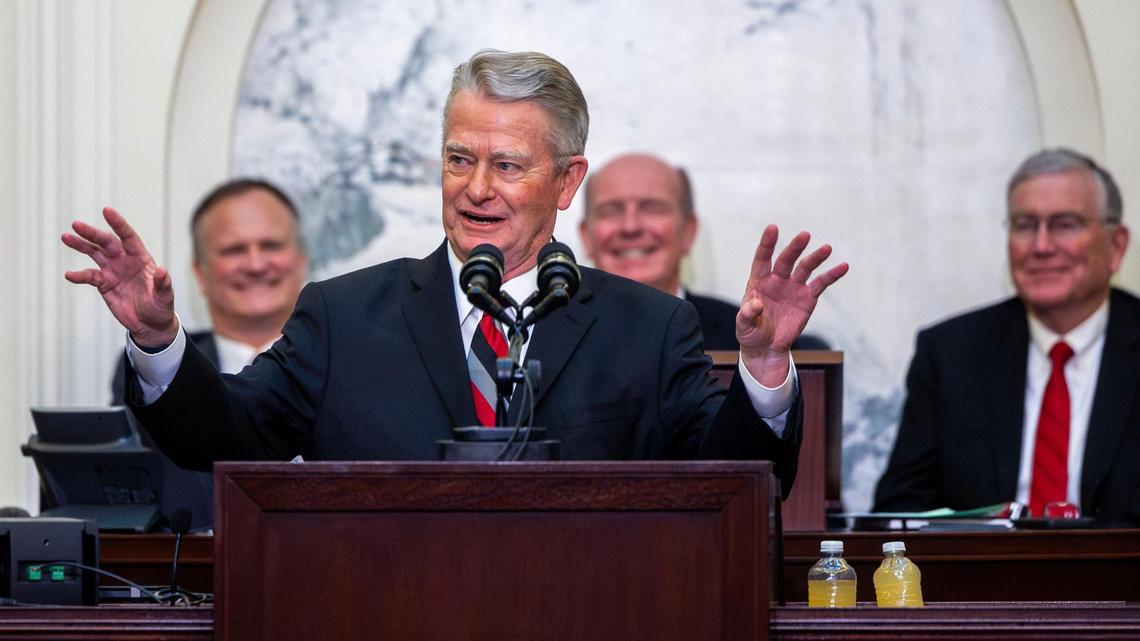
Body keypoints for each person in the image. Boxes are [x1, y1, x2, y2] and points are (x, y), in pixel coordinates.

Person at [62, 50, 847, 498]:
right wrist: (161, 339)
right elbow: (220, 437)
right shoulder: (343, 315)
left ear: (567, 182)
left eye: (506, 165)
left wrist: (766, 365)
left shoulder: (648, 325)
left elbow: (735, 482)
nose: (477, 189)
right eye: (459, 160)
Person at [874, 148, 1140, 525]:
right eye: (1025, 225)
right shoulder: (952, 355)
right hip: (982, 579)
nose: (1041, 246)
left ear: (1116, 246)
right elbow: (899, 513)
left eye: (1065, 224)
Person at [103, 178, 306, 531]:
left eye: (271, 245)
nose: (256, 264)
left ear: (301, 261)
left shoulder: (347, 363)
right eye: (233, 250)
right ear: (200, 272)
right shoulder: (153, 365)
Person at [579, 152, 829, 351]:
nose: (630, 226)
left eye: (652, 208)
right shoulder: (546, 334)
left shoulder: (749, 340)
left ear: (688, 231)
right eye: (610, 210)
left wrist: (767, 357)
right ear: (585, 236)